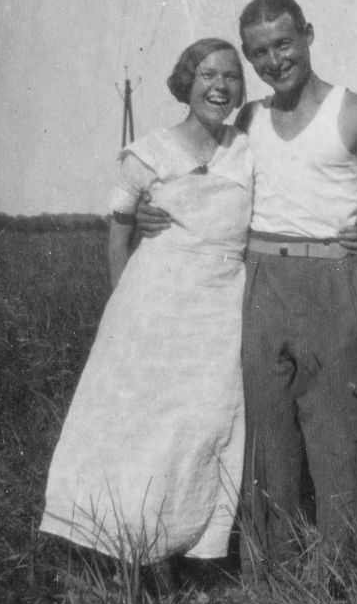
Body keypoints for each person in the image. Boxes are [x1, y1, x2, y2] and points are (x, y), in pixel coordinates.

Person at [138, 0, 357, 575]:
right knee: (264, 440)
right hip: (257, 281)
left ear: (308, 34)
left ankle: (342, 577)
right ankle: (269, 579)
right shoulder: (249, 118)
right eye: (259, 52)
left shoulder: (356, 112)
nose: (273, 60)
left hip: (332, 281)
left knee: (337, 438)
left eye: (283, 43)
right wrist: (147, 209)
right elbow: (197, 169)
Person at [40, 39, 253, 569]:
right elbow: (119, 235)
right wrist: (125, 318)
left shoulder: (247, 152)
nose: (219, 86)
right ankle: (126, 545)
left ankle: (189, 543)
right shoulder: (149, 153)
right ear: (187, 82)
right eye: (207, 74)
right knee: (142, 424)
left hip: (222, 309)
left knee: (203, 424)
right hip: (153, 305)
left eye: (230, 76)